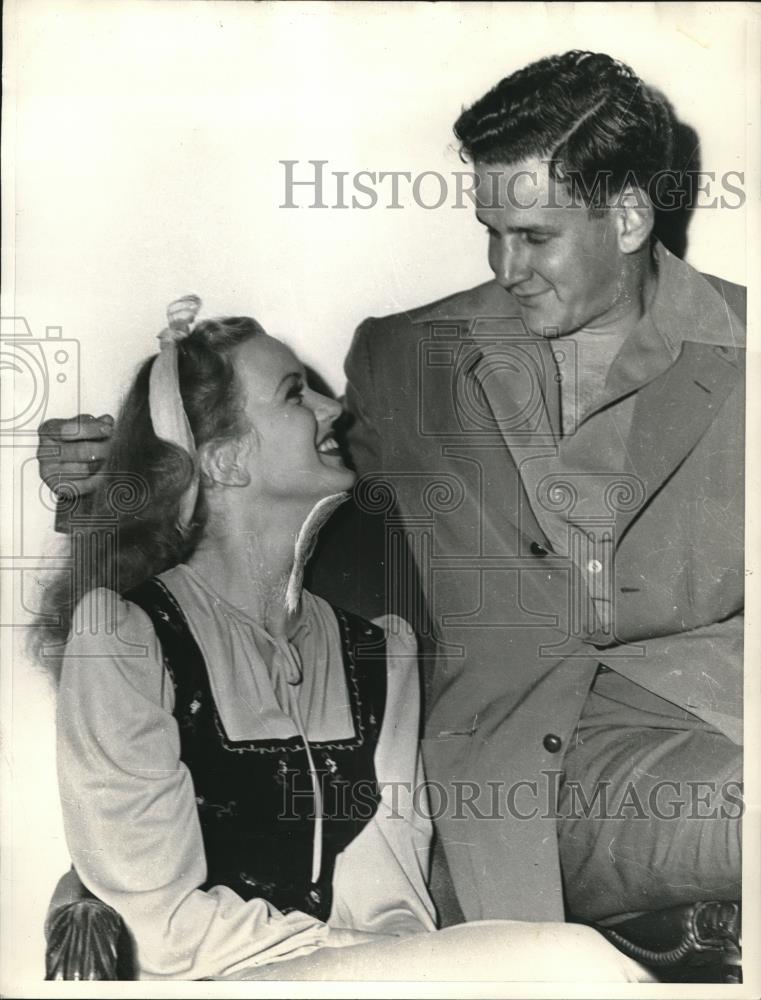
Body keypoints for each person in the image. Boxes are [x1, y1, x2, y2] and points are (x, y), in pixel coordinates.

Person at [38, 50, 744, 933]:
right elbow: (263, 480)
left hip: (715, 722)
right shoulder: (409, 357)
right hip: (510, 776)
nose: (504, 265)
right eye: (490, 231)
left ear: (631, 215)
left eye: (533, 237)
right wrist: (108, 481)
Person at [33, 299, 650, 981]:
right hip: (206, 979)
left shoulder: (376, 652)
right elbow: (162, 926)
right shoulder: (121, 637)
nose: (334, 411)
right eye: (296, 395)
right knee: (570, 961)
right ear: (226, 461)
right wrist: (366, 963)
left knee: (564, 962)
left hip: (347, 975)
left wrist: (392, 966)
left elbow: (394, 902)